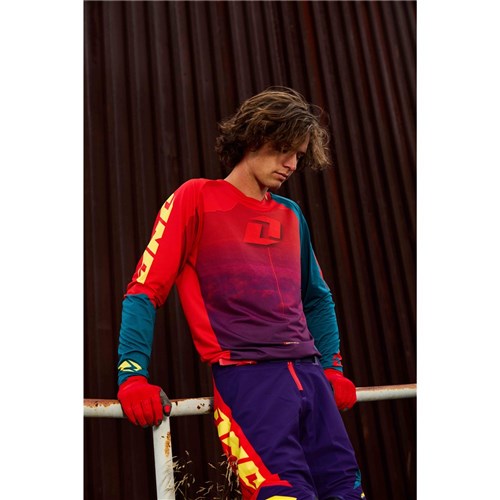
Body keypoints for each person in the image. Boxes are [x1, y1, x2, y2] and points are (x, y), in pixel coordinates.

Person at [116, 87, 366, 500]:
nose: (291, 164)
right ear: (254, 135)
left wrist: (332, 368)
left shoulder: (291, 214)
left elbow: (317, 298)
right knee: (284, 494)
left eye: (299, 155)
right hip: (249, 380)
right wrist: (132, 376)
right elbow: (144, 290)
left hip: (311, 377)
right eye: (284, 149)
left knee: (347, 493)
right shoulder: (196, 198)